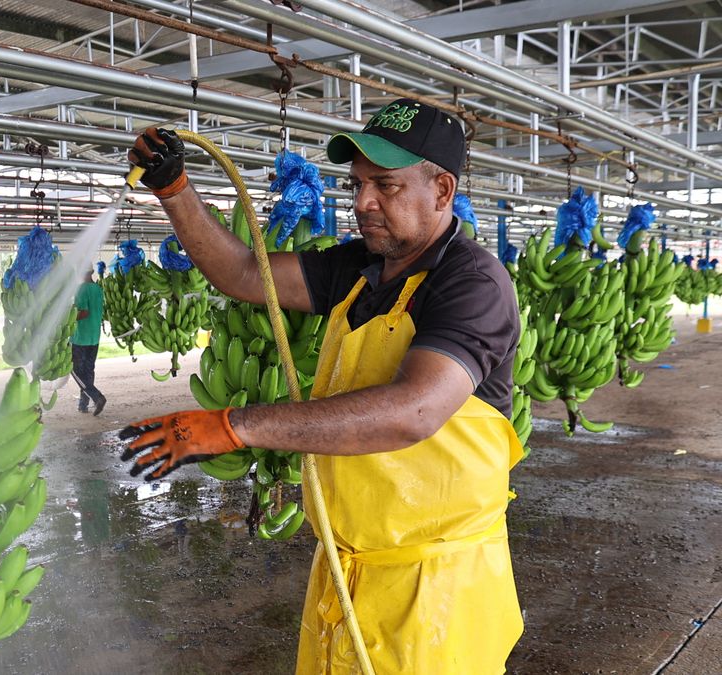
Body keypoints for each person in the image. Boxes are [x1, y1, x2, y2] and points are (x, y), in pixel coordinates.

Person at [120, 98, 524, 673]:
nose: (363, 203)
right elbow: (241, 272)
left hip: (434, 592)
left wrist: (237, 426)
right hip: (347, 572)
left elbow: (414, 411)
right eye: (357, 184)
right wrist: (175, 189)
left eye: (385, 186)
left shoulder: (472, 282)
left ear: (441, 190)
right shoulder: (357, 269)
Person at [71, 269, 107, 415]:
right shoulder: (98, 289)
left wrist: (69, 318)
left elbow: (84, 312)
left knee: (76, 371)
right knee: (88, 370)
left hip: (81, 337)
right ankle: (83, 404)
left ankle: (97, 397)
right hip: (94, 336)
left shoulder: (81, 289)